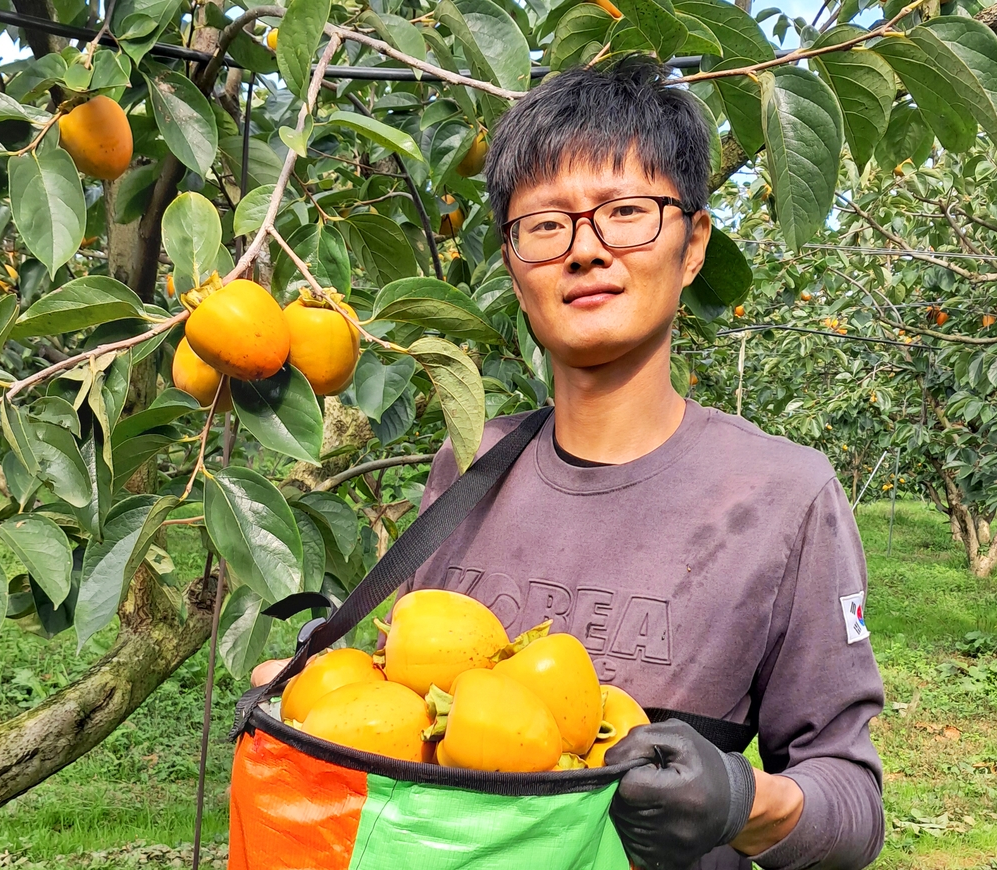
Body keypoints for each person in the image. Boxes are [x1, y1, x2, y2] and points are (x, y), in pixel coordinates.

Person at [257, 56, 885, 870]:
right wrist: (326, 687)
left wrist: (741, 800)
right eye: (547, 225)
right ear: (516, 270)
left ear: (692, 245)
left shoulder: (785, 497)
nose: (586, 250)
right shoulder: (470, 463)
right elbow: (420, 719)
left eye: (627, 212)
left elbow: (853, 804)